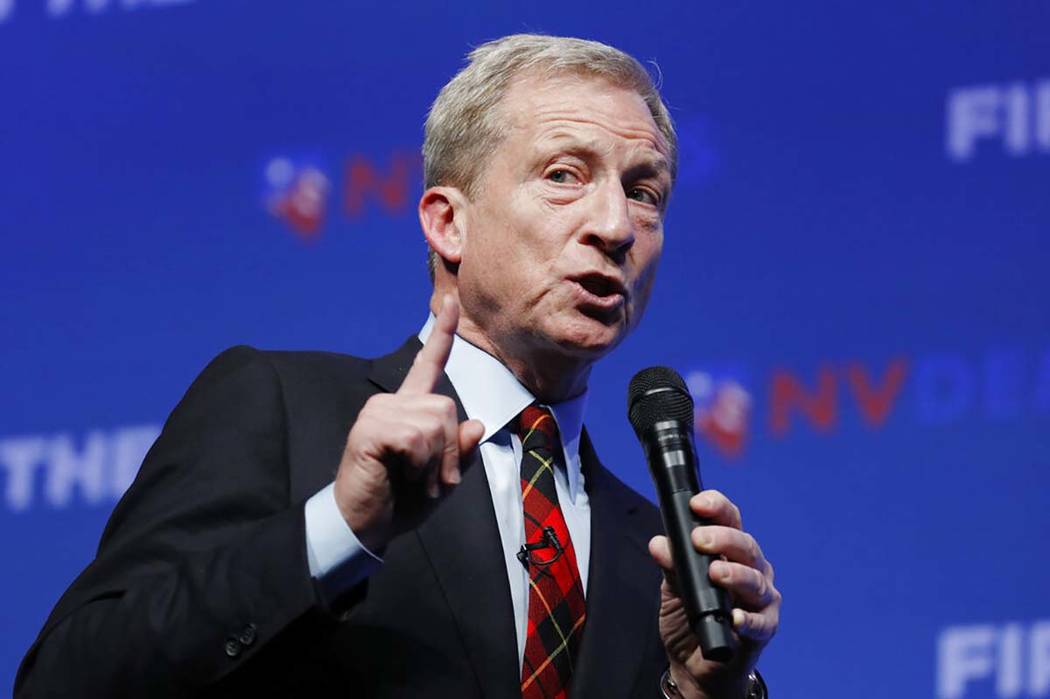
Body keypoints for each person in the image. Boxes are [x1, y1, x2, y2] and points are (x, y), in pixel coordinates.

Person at [15, 34, 780, 698]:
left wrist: (698, 688)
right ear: (448, 222)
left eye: (644, 191)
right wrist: (338, 526)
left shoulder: (657, 553)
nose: (616, 225)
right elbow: (72, 678)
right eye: (564, 175)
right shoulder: (284, 410)